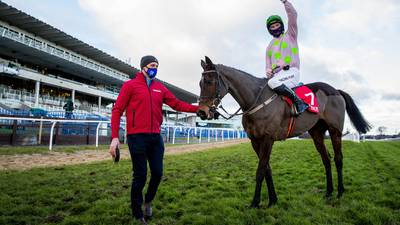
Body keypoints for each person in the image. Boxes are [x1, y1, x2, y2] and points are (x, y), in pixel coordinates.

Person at [109, 55, 201, 224]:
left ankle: (148, 201)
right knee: (140, 176)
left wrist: (199, 109)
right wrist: (115, 137)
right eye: (152, 65)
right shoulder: (130, 85)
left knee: (158, 173)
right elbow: (117, 110)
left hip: (155, 137)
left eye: (157, 66)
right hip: (136, 137)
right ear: (143, 67)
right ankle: (137, 213)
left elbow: (177, 104)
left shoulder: (160, 87)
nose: (155, 68)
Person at [265, 0, 308, 115]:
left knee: (272, 83)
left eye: (277, 25)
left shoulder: (290, 35)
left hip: (291, 71)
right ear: (270, 30)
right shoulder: (269, 47)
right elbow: (268, 67)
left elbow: (293, 15)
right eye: (272, 26)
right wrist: (268, 72)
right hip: (277, 77)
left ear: (282, 25)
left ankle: (299, 102)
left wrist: (285, 2)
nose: (275, 27)